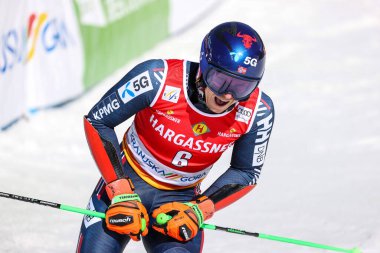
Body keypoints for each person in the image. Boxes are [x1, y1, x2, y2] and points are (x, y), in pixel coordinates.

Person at [76, 21, 274, 253]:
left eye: (242, 87)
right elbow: (98, 121)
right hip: (126, 182)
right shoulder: (156, 78)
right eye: (220, 81)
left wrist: (199, 210)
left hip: (181, 203)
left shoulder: (258, 111)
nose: (228, 95)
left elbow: (247, 172)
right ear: (203, 66)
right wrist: (118, 189)